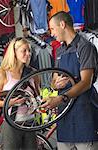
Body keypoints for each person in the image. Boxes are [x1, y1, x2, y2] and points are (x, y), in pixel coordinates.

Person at [41, 11, 98, 150]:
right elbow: (54, 82)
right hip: (64, 116)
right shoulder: (59, 51)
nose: (52, 33)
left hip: (84, 114)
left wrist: (60, 98)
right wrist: (56, 85)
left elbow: (86, 82)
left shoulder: (85, 47)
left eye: (52, 29)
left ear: (62, 24)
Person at [0, 37, 38, 150]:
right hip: (11, 124)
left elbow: (38, 96)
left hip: (30, 123)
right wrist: (9, 103)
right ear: (14, 52)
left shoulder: (33, 73)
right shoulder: (3, 73)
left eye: (29, 50)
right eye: (24, 51)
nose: (28, 54)